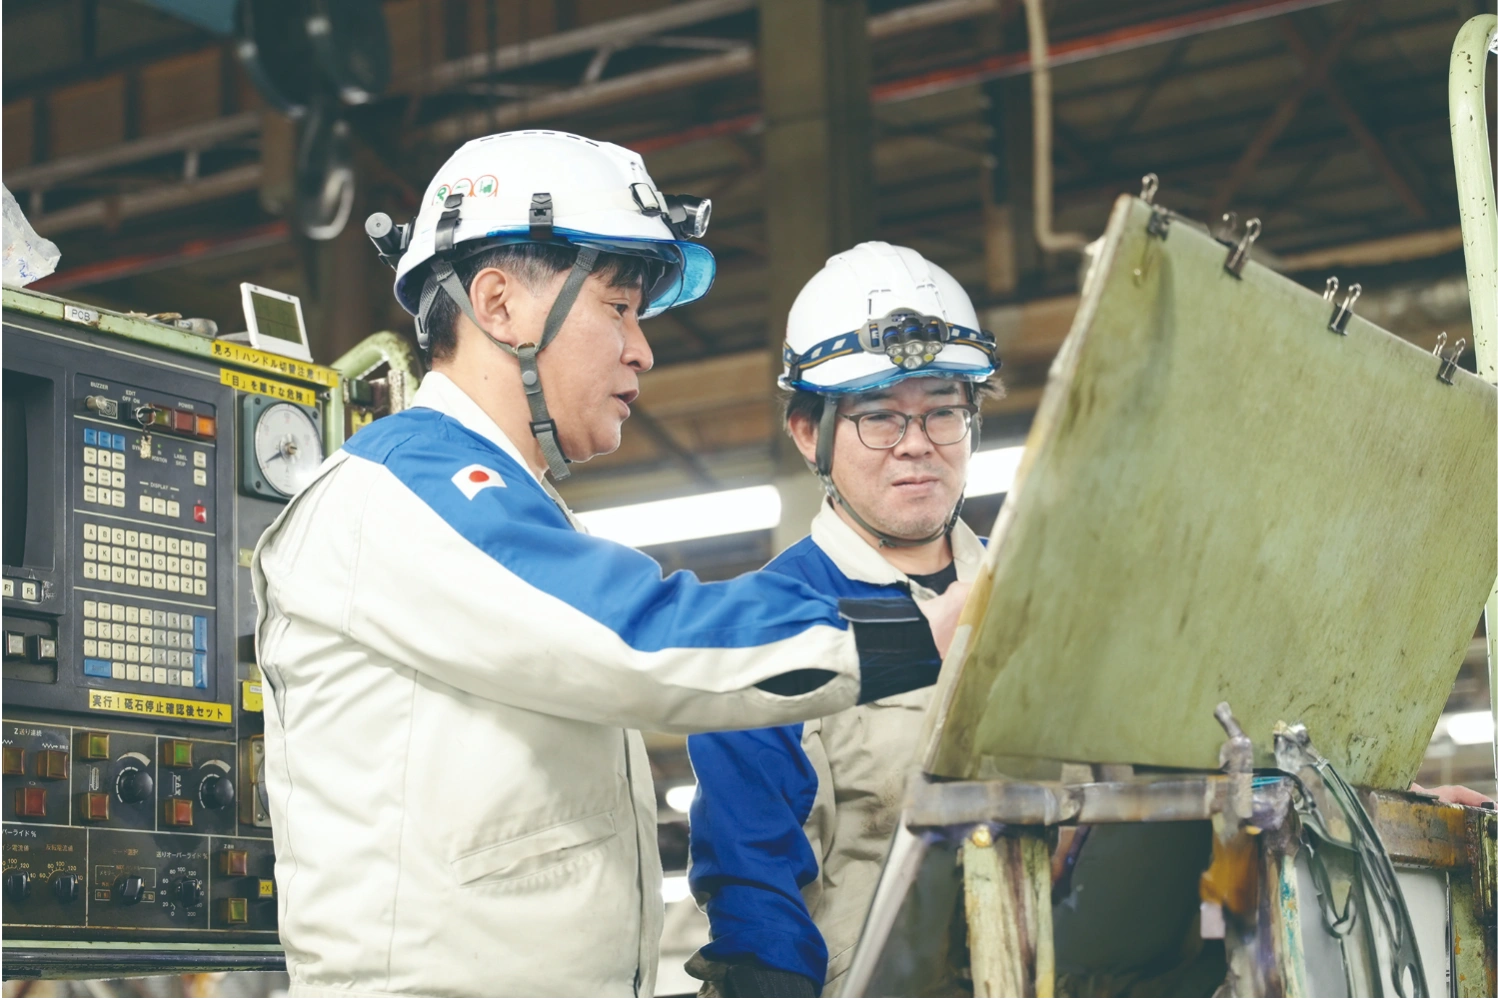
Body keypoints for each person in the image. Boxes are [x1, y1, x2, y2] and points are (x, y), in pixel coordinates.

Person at [250, 134, 970, 999]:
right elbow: (643, 637)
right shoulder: (407, 489)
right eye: (619, 308)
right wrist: (916, 632)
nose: (641, 350)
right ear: (499, 304)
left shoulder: (502, 508)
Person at [685, 242, 1000, 999]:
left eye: (943, 412)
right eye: (880, 417)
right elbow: (757, 897)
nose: (916, 444)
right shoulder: (766, 627)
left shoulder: (1038, 594)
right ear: (808, 431)